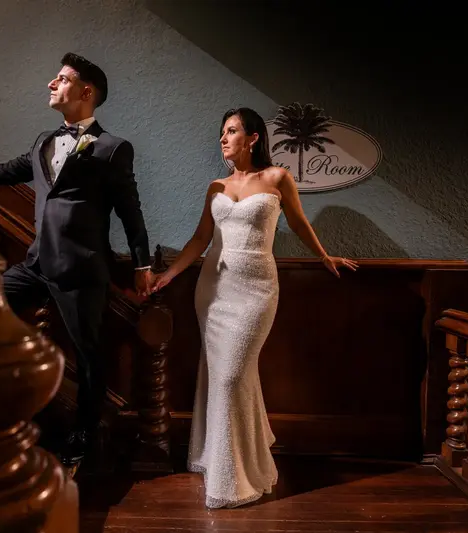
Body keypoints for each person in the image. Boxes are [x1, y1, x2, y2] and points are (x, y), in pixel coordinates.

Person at [0, 53, 153, 473]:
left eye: (61, 79)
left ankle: (82, 439)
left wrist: (142, 264)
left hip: (81, 269)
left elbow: (130, 210)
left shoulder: (112, 149)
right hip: (36, 262)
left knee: (90, 358)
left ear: (86, 92)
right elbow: (9, 170)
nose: (51, 85)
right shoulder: (42, 140)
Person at [150, 107, 358, 508]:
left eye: (231, 131)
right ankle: (227, 464)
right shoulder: (215, 186)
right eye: (222, 133)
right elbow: (198, 241)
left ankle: (239, 473)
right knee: (224, 377)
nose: (223, 139)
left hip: (256, 291)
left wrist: (324, 256)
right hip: (212, 290)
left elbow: (298, 223)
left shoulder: (278, 178)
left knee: (232, 376)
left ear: (253, 137)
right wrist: (169, 275)